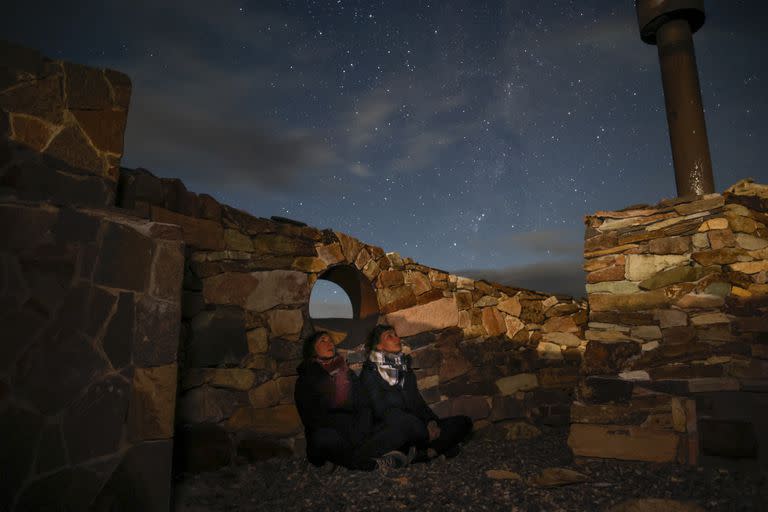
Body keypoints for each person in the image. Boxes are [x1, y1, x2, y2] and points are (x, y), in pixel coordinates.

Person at [294, 331, 414, 471]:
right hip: (333, 436)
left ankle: (343, 459)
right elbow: (313, 419)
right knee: (324, 437)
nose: (330, 343)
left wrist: (361, 431)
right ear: (312, 349)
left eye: (331, 340)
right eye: (323, 340)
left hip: (357, 433)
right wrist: (350, 431)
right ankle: (373, 463)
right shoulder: (306, 379)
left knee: (399, 425)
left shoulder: (346, 373)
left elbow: (364, 404)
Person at [360, 324, 473, 461]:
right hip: (394, 427)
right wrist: (422, 429)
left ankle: (427, 453)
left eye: (395, 334)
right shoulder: (369, 373)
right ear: (379, 346)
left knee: (463, 422)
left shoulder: (405, 369)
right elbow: (381, 410)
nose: (397, 338)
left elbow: (418, 402)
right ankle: (436, 449)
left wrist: (431, 422)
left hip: (417, 427)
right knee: (408, 426)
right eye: (390, 336)